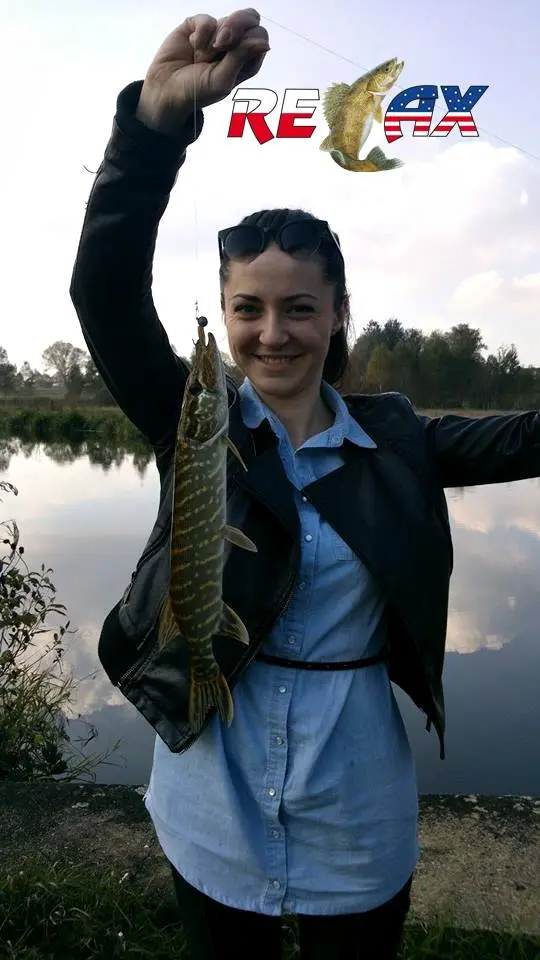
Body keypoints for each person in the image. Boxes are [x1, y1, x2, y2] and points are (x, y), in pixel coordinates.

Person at [69, 9, 540, 959]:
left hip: (356, 810)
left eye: (299, 308)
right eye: (247, 309)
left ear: (336, 315)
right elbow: (105, 294)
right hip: (212, 804)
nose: (272, 333)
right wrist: (153, 128)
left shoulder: (399, 440)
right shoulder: (194, 424)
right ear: (227, 315)